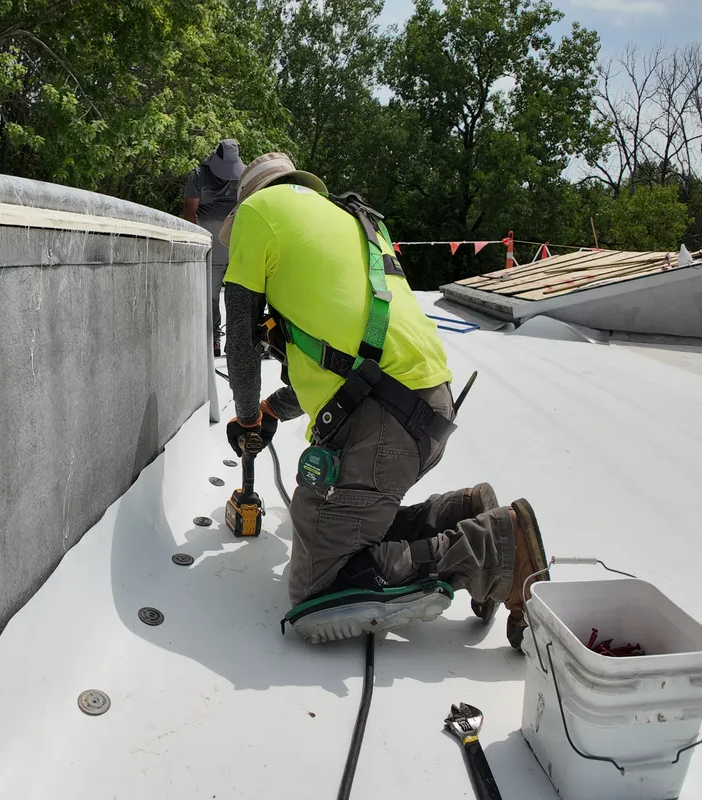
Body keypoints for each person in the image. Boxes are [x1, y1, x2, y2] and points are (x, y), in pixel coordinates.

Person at [218, 153, 548, 650]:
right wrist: (269, 412)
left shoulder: (256, 214)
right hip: (424, 407)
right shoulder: (347, 221)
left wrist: (245, 419)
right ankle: (459, 514)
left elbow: (239, 339)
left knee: (316, 584)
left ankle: (496, 546)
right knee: (331, 522)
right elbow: (346, 367)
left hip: (383, 427)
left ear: (250, 199)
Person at [184, 139, 246, 357]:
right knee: (211, 296)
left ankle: (239, 342)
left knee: (239, 295)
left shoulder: (245, 176)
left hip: (239, 247)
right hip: (211, 246)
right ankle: (215, 339)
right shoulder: (198, 175)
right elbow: (190, 214)